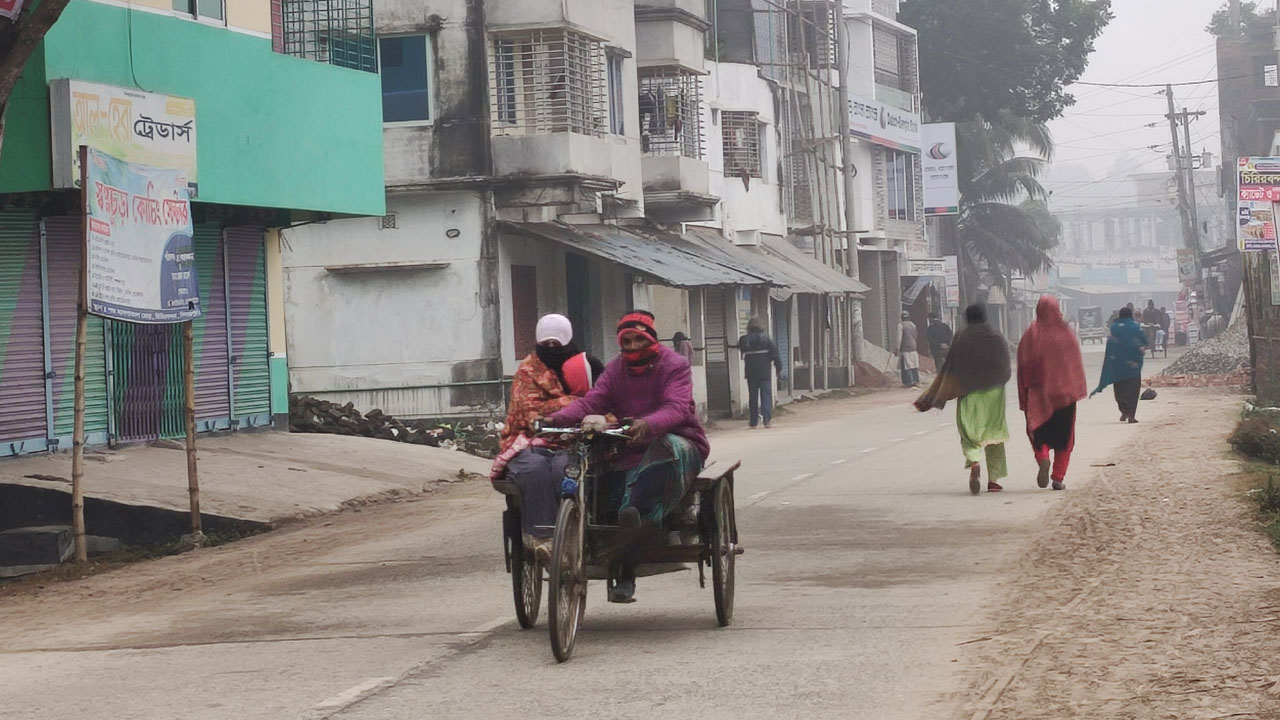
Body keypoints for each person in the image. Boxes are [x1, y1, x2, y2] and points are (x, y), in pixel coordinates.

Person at [547, 311, 709, 603]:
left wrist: (648, 424)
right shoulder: (614, 370)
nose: (633, 346)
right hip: (628, 444)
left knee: (658, 462)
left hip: (678, 441)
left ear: (651, 338)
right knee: (597, 477)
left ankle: (628, 554)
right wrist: (555, 419)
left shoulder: (675, 366)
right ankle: (613, 538)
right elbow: (592, 401)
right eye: (627, 340)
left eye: (639, 339)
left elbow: (677, 407)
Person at [492, 314, 604, 560]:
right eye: (547, 344)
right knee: (533, 469)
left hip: (573, 441)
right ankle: (544, 538)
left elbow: (601, 401)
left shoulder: (585, 367)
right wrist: (575, 403)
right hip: (528, 440)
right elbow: (525, 413)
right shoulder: (527, 371)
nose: (552, 349)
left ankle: (574, 532)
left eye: (557, 344)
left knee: (565, 470)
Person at [914, 304, 1012, 495]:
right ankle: (993, 480)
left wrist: (939, 392)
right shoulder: (996, 336)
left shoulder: (962, 337)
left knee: (969, 432)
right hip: (994, 393)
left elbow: (950, 365)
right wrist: (998, 380)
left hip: (968, 391)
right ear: (985, 317)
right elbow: (1005, 365)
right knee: (994, 433)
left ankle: (974, 461)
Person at [1017, 296, 1087, 492]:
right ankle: (1057, 477)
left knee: (1038, 432)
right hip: (1064, 395)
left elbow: (1023, 364)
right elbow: (1074, 365)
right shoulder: (1066, 334)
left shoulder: (1031, 333)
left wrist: (1025, 392)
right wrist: (1073, 389)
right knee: (1065, 438)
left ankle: (1043, 459)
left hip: (1039, 395)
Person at [1091, 306, 1148, 423]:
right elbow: (1145, 341)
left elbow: (1111, 345)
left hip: (1117, 365)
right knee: (1133, 391)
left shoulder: (1114, 328)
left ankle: (1124, 411)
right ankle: (1131, 415)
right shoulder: (1136, 327)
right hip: (1133, 366)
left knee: (1120, 390)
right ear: (1130, 315)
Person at [738, 317, 785, 428]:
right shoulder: (767, 339)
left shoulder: (744, 340)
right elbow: (775, 355)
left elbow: (742, 350)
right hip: (765, 373)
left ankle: (753, 422)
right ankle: (767, 420)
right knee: (766, 396)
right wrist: (778, 368)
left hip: (751, 373)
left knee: (753, 397)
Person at [899, 311, 921, 388]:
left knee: (907, 365)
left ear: (901, 318)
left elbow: (899, 338)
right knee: (914, 364)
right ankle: (916, 380)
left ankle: (910, 381)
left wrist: (897, 348)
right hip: (913, 347)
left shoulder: (901, 325)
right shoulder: (912, 325)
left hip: (905, 348)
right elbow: (915, 336)